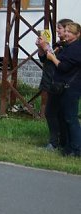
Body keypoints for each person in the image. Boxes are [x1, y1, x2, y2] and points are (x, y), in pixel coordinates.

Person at [43, 21, 81, 157]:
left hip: (71, 88)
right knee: (65, 118)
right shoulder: (67, 46)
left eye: (69, 32)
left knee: (71, 118)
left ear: (77, 34)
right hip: (63, 87)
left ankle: (77, 149)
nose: (66, 34)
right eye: (66, 31)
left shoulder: (76, 48)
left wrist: (52, 57)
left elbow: (64, 67)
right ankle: (68, 147)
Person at [36, 18, 74, 149]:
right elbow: (44, 59)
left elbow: (60, 63)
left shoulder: (69, 46)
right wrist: (41, 48)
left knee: (54, 113)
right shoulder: (58, 44)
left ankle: (56, 142)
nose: (57, 31)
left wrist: (48, 50)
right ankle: (60, 141)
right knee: (55, 113)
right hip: (51, 81)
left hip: (60, 83)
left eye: (60, 28)